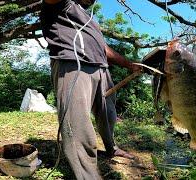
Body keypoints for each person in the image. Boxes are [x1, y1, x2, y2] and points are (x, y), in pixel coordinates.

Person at [40, 0, 142, 179]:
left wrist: (130, 65)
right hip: (73, 64)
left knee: (108, 115)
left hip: (101, 68)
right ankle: (88, 175)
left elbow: (104, 48)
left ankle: (112, 148)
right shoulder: (62, 5)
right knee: (77, 123)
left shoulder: (90, 18)